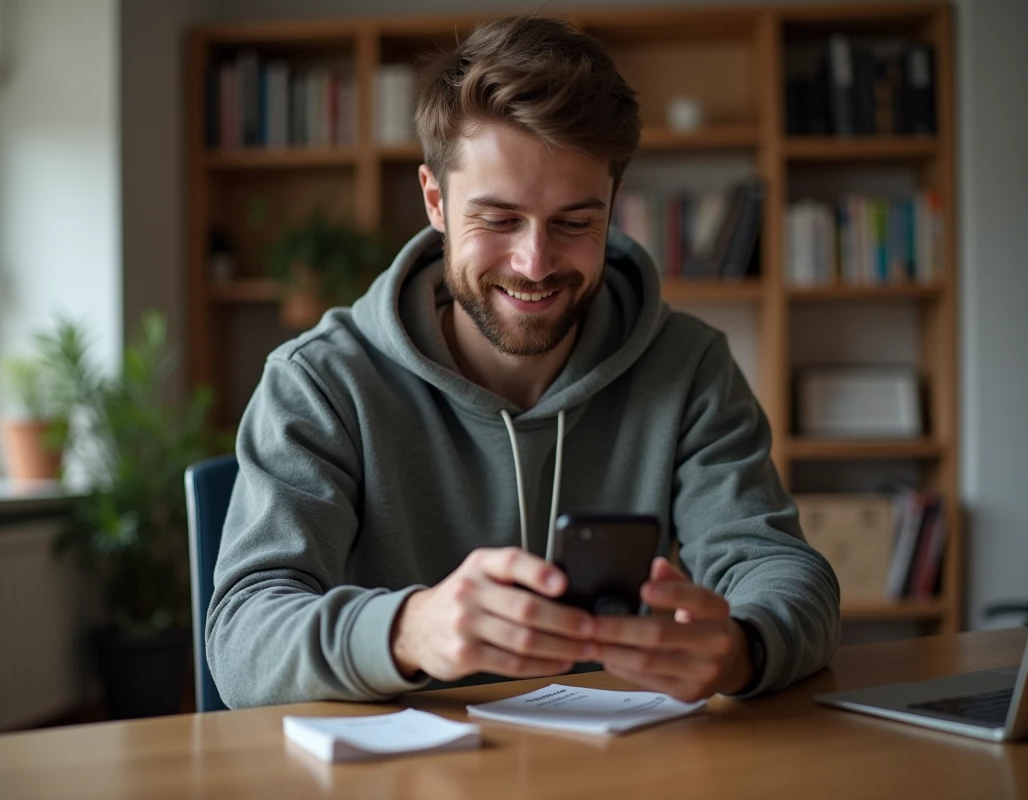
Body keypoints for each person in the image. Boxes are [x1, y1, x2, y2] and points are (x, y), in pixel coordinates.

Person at [207, 14, 840, 709]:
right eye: (498, 219)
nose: (534, 264)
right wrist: (408, 631)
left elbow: (783, 572)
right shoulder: (319, 382)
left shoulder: (687, 367)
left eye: (574, 222)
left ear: (611, 209)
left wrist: (744, 647)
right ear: (434, 201)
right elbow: (240, 642)